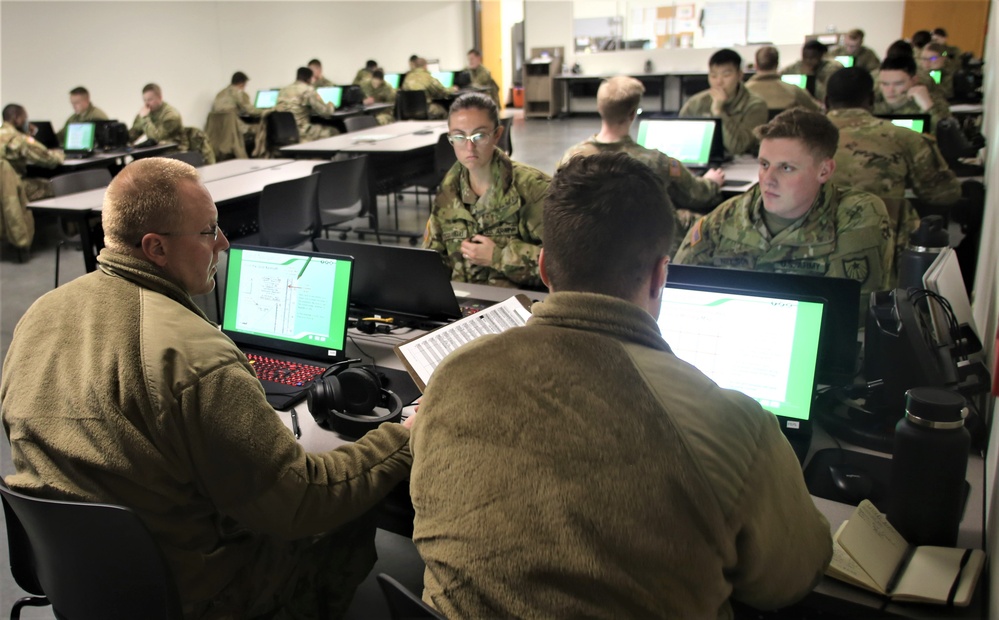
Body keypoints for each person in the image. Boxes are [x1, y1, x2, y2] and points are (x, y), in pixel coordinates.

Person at [410, 151, 833, 618]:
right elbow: (789, 580)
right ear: (660, 276)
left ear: (546, 268)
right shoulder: (735, 424)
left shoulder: (454, 374)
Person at [0, 157, 414, 618]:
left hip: (79, 576)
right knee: (347, 509)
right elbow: (301, 503)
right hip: (196, 595)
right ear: (156, 248)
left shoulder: (40, 315)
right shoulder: (196, 356)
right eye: (207, 231)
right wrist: (402, 437)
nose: (223, 242)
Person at [674, 108, 893, 310]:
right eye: (764, 164)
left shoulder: (855, 216)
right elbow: (676, 291)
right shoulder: (726, 217)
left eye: (786, 168)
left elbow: (849, 315)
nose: (768, 180)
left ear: (825, 171)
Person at [558, 75, 725, 249]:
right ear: (632, 114)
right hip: (642, 245)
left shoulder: (571, 157)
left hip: (590, 243)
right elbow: (696, 194)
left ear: (600, 108)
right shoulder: (656, 161)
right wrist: (712, 183)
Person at [826, 67, 960, 282]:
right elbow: (945, 194)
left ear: (825, 100)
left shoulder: (799, 139)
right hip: (883, 262)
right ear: (870, 99)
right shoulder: (904, 137)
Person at [424, 93, 548, 288]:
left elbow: (566, 266)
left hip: (520, 309)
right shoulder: (448, 191)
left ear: (497, 135)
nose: (469, 147)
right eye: (459, 137)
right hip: (465, 306)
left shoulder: (533, 189)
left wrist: (499, 257)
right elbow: (433, 260)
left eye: (479, 136)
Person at [679, 49, 768, 155]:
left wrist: (718, 111)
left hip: (742, 165)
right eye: (713, 76)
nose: (719, 82)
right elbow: (681, 141)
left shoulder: (755, 105)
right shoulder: (696, 103)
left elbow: (738, 147)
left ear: (740, 75)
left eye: (726, 75)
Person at [0, 104, 65, 201]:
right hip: (13, 187)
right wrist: (60, 154)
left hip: (3, 187)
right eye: (25, 118)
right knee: (58, 186)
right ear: (16, 118)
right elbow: (49, 160)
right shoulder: (19, 139)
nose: (27, 122)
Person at [874, 55, 951, 131]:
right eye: (884, 84)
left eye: (898, 84)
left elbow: (947, 134)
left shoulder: (934, 102)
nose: (890, 90)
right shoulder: (872, 103)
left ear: (914, 80)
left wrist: (929, 107)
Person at [745, 46, 821, 112]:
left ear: (756, 66)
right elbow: (817, 109)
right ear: (777, 64)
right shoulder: (795, 91)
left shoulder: (742, 92)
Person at [276, 66, 339, 142]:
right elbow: (326, 112)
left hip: (284, 131)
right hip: (302, 132)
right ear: (310, 78)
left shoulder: (283, 90)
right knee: (334, 131)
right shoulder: (308, 90)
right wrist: (331, 104)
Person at [128, 83, 185, 150]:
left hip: (175, 151)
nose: (146, 103)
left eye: (150, 100)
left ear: (160, 98)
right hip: (158, 151)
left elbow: (157, 138)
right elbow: (134, 134)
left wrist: (144, 118)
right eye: (144, 100)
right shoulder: (147, 112)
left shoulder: (171, 115)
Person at [210, 71, 261, 140]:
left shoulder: (221, 93)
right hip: (234, 125)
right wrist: (268, 110)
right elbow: (250, 110)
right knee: (260, 128)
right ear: (241, 84)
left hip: (220, 130)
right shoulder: (237, 92)